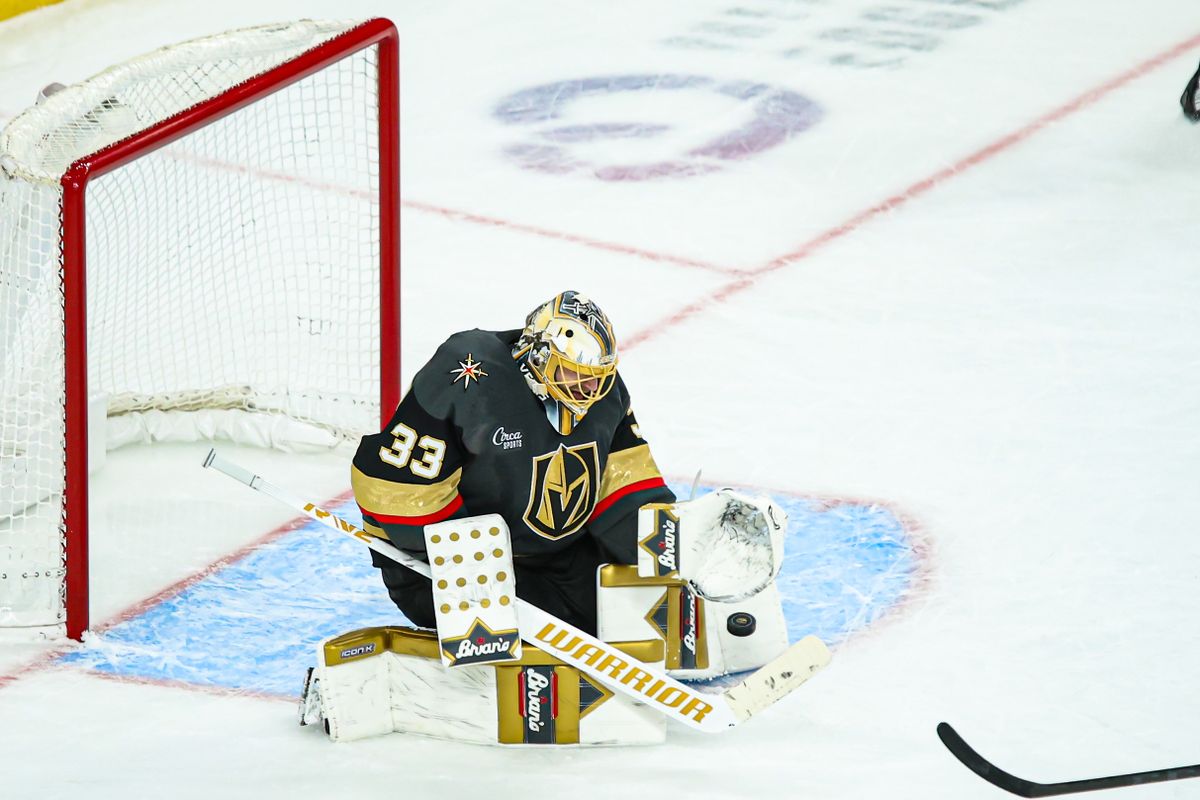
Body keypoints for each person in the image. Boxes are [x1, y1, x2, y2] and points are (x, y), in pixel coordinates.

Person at [350, 291, 676, 635]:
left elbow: (627, 482)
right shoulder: (469, 376)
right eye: (574, 373)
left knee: (634, 621)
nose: (590, 387)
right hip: (446, 566)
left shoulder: (603, 392)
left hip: (558, 559)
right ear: (538, 356)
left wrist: (667, 550)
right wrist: (472, 564)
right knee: (528, 642)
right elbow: (394, 488)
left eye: (597, 375)